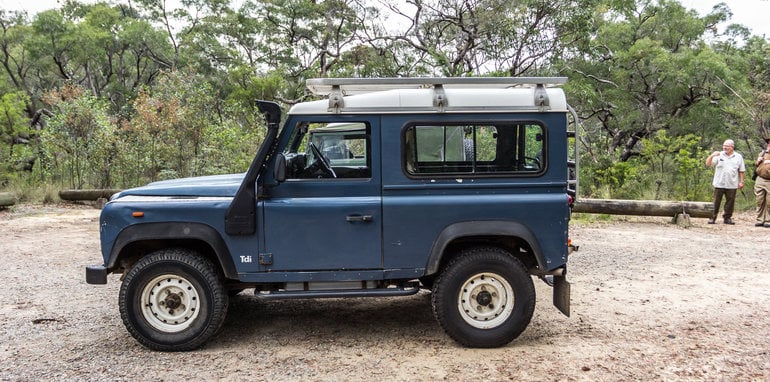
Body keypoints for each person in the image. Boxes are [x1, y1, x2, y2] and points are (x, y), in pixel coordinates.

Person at [705, 139, 745, 225]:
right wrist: (712, 155)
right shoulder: (719, 155)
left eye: (727, 146)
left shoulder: (738, 157)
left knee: (730, 203)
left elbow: (741, 170)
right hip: (719, 183)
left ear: (732, 147)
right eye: (724, 146)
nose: (724, 147)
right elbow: (708, 164)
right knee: (716, 202)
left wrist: (741, 181)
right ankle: (712, 218)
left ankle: (727, 218)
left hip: (732, 183)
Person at [754, 138, 770, 227]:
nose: (769, 145)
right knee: (759, 200)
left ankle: (768, 220)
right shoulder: (762, 153)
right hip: (760, 178)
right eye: (768, 144)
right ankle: (760, 219)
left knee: (769, 202)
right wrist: (758, 161)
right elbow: (757, 165)